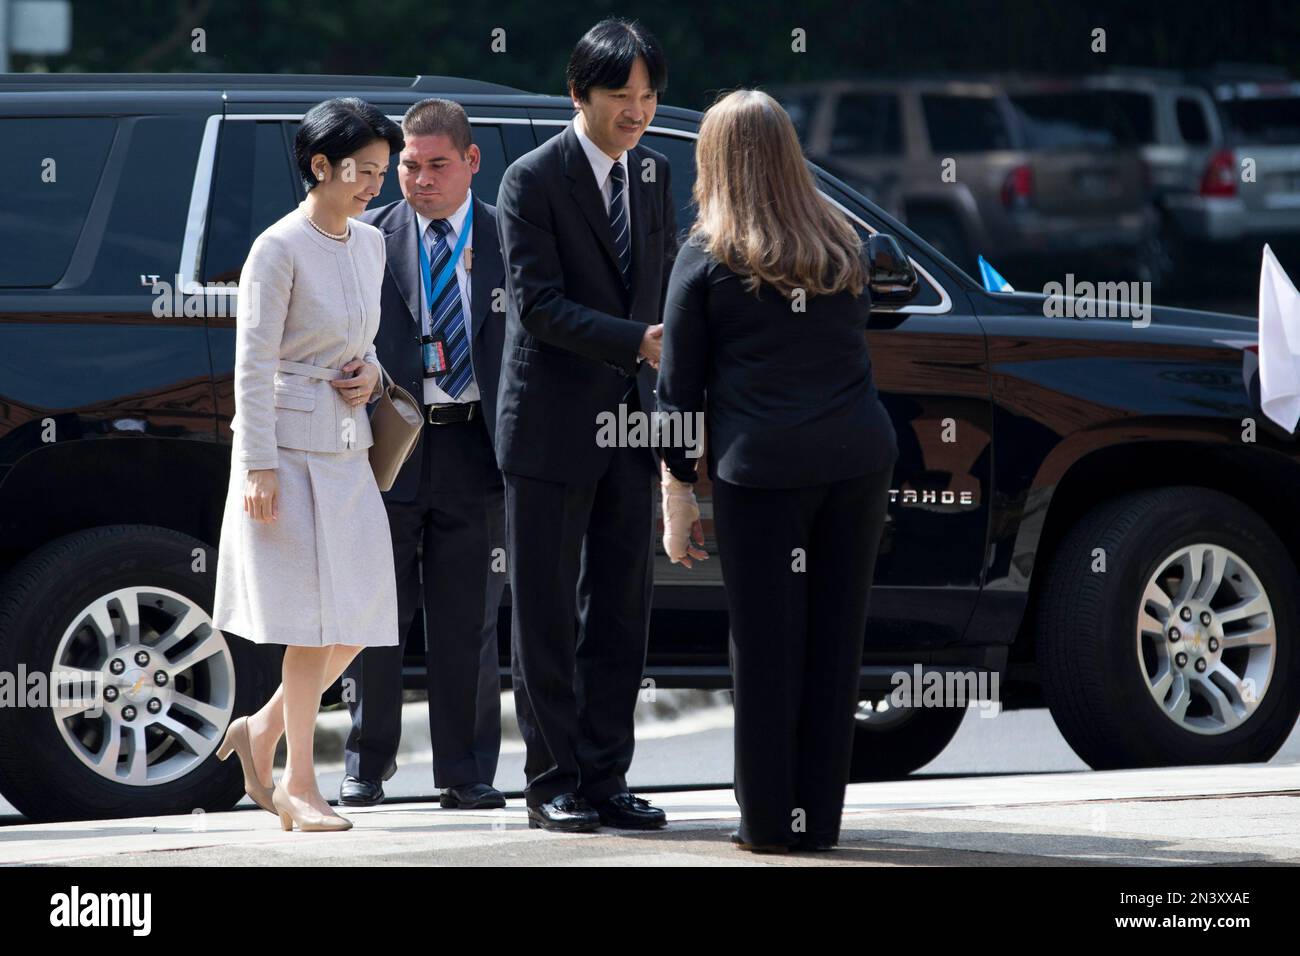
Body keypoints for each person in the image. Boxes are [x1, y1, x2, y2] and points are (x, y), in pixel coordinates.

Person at [656, 89, 899, 853]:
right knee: (835, 645)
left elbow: (677, 395)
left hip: (761, 471)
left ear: (715, 161)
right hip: (857, 462)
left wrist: (675, 493)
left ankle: (767, 828)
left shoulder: (707, 257)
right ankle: (814, 823)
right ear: (793, 156)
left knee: (764, 650)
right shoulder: (843, 245)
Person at [494, 17, 678, 832]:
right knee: (544, 615)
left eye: (647, 95)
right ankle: (553, 782)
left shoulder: (656, 176)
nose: (636, 110)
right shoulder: (532, 179)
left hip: (633, 429)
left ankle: (607, 778)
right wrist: (635, 341)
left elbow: (665, 292)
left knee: (621, 612)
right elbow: (536, 307)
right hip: (550, 427)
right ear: (580, 94)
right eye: (620, 96)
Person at [212, 97, 404, 832]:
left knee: (355, 619)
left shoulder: (369, 243)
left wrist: (372, 374)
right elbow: (251, 363)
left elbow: (363, 342)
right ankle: (298, 782)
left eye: (382, 172)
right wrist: (256, 464)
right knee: (310, 627)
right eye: (363, 170)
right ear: (320, 165)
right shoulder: (278, 247)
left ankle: (258, 732)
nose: (374, 185)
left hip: (348, 451)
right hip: (286, 457)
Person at [340, 98, 508, 811]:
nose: (419, 179)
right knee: (377, 612)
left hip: (477, 443)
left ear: (472, 162)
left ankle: (465, 771)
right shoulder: (367, 237)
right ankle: (365, 764)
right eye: (409, 165)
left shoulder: (508, 237)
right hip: (391, 443)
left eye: (437, 164)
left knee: (468, 617)